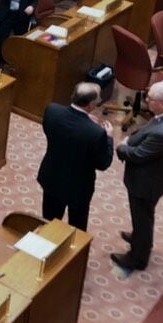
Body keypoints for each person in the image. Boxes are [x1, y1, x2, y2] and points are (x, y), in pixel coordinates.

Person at [114, 82, 163, 271]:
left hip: (145, 182)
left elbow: (139, 155)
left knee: (143, 217)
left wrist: (123, 147)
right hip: (159, 175)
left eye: (151, 99)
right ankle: (139, 236)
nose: (146, 101)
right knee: (145, 215)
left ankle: (138, 257)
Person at [37, 83, 114, 231]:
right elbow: (103, 163)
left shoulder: (52, 110)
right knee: (77, 226)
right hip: (79, 186)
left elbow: (49, 129)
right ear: (91, 105)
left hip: (52, 176)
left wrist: (84, 119)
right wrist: (109, 138)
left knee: (49, 221)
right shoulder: (97, 133)